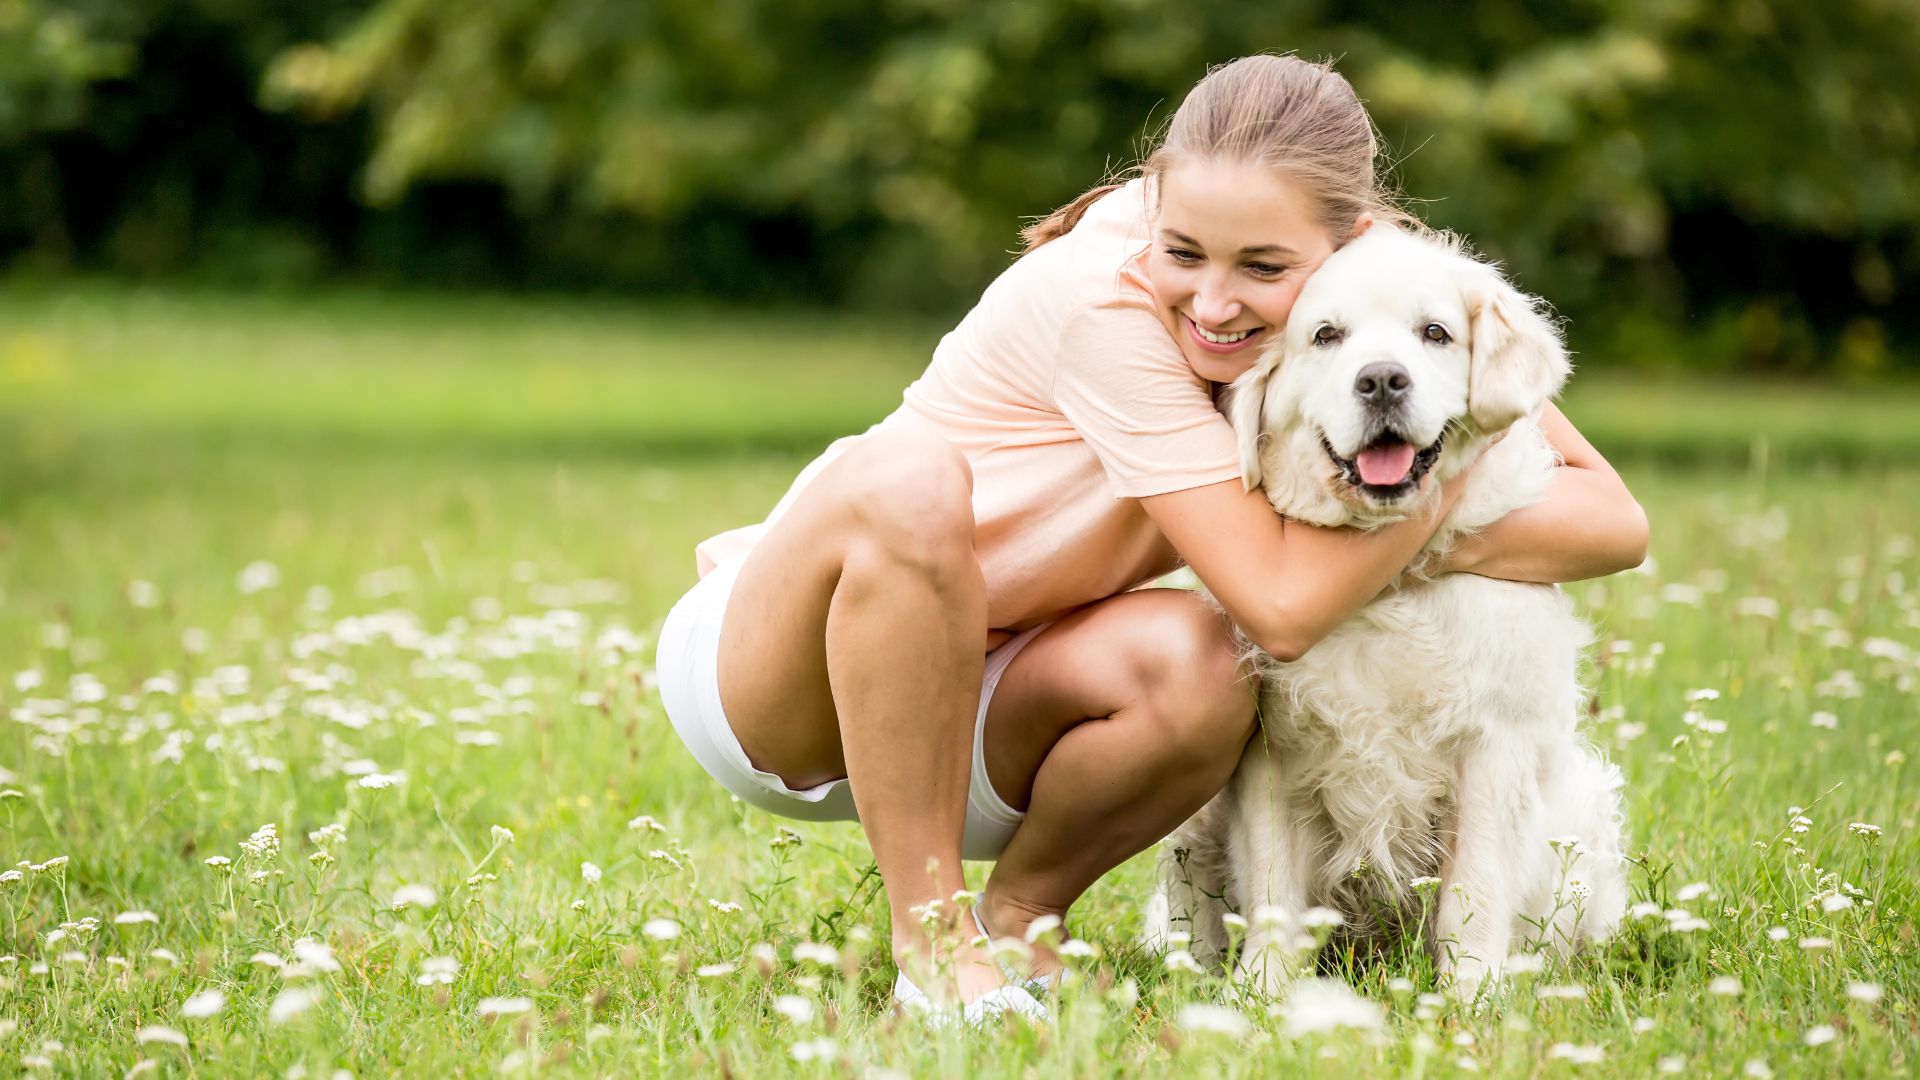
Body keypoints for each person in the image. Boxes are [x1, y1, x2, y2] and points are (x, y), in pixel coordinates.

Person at [654, 54, 1648, 1020]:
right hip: (791, 690)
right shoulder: (1105, 303)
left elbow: (1611, 519)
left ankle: (1020, 919)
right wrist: (1445, 453)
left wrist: (1439, 430)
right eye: (1184, 253)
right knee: (907, 480)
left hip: (997, 703)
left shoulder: (1379, 297)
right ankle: (934, 952)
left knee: (1206, 661)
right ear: (1154, 208)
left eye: (1262, 268)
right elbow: (1287, 608)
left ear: (1346, 240)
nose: (1213, 303)